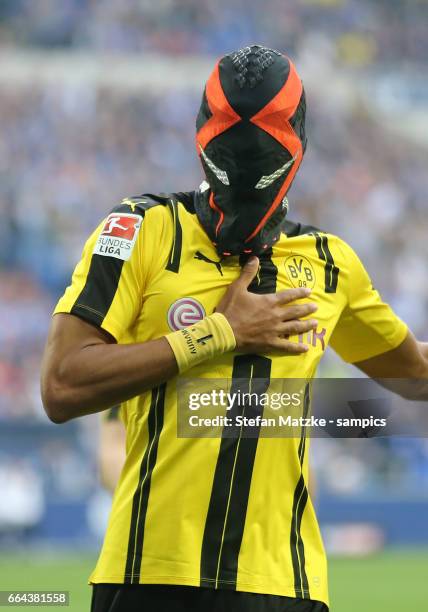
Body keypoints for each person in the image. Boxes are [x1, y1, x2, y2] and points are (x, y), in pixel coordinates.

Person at [41, 45, 427, 612]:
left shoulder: (330, 262)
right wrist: (219, 332)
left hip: (284, 586)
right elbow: (61, 387)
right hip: (150, 575)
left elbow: (415, 373)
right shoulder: (137, 229)